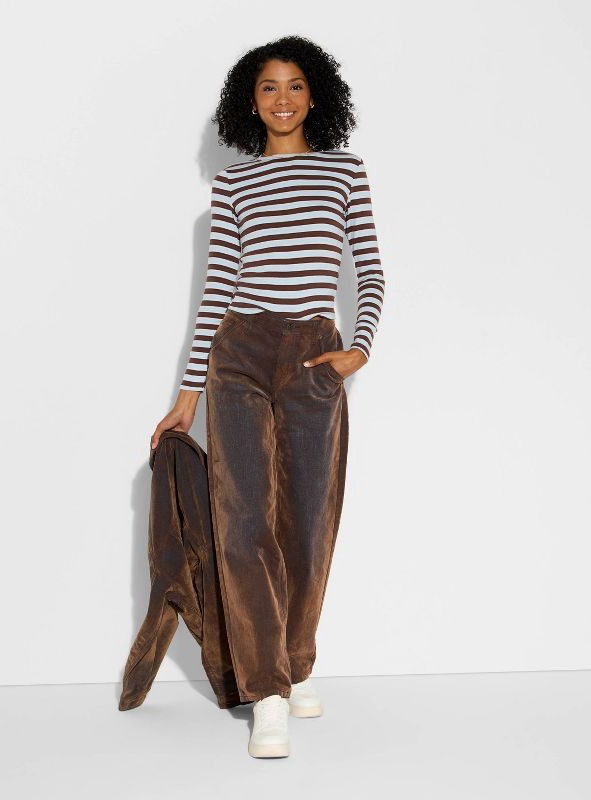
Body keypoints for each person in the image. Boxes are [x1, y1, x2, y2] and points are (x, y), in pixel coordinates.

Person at [150, 35, 386, 758]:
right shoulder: (233, 185)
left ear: (316, 95)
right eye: (268, 88)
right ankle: (267, 692)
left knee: (309, 520)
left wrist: (358, 348)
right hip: (241, 356)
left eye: (294, 86)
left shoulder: (344, 171)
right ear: (249, 103)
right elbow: (217, 290)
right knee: (244, 518)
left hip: (314, 353)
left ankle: (296, 659)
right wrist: (189, 392)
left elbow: (370, 269)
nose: (282, 99)